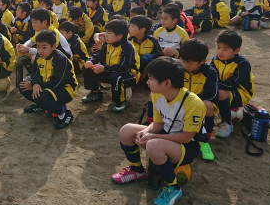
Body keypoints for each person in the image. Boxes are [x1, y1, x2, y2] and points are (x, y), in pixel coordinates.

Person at [110, 57, 205, 205]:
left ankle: (173, 187)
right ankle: (137, 170)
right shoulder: (156, 94)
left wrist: (152, 136)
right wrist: (147, 131)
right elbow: (158, 123)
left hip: (187, 147)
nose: (147, 82)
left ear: (167, 82)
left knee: (153, 144)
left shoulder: (193, 103)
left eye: (151, 79)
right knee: (127, 130)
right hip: (163, 136)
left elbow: (187, 137)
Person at [18, 30, 77, 129]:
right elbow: (34, 72)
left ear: (53, 46)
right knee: (23, 86)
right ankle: (41, 105)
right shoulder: (39, 56)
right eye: (38, 47)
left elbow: (58, 83)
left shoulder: (61, 60)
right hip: (46, 85)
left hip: (65, 89)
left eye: (44, 47)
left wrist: (37, 85)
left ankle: (64, 113)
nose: (40, 50)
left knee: (41, 96)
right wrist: (34, 82)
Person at [81, 19, 139, 112]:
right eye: (106, 32)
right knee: (88, 68)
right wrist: (90, 61)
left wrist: (104, 68)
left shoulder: (127, 47)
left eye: (109, 33)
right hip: (111, 70)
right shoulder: (108, 44)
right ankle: (96, 93)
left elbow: (124, 68)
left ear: (120, 36)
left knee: (117, 77)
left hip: (129, 74)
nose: (105, 35)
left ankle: (120, 101)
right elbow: (97, 55)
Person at [211, 30, 255, 138]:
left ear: (236, 50)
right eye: (218, 47)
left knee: (220, 93)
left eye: (225, 49)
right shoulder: (215, 60)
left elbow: (232, 85)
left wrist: (214, 86)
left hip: (242, 92)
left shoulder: (242, 64)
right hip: (223, 88)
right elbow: (212, 77)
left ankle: (227, 123)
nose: (220, 52)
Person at [128, 15, 162, 83]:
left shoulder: (152, 40)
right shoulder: (129, 41)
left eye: (132, 26)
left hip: (148, 65)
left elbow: (159, 53)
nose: (129, 28)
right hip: (134, 65)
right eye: (129, 26)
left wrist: (150, 56)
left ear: (142, 30)